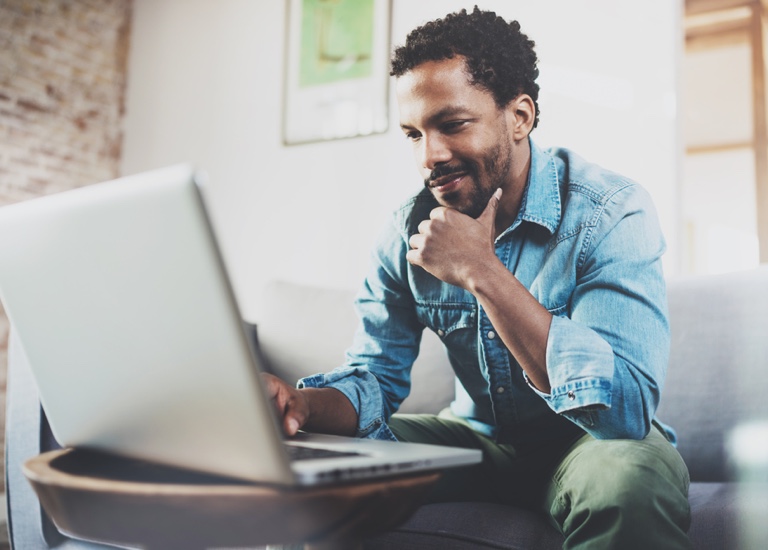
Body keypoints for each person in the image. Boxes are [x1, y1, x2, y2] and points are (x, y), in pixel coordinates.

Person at [265, 7, 691, 549]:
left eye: (452, 124)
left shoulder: (610, 212)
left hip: (592, 441)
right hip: (476, 439)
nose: (430, 156)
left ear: (520, 116)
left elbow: (625, 410)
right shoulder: (407, 231)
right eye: (413, 133)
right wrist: (301, 407)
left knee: (630, 480)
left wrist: (481, 270)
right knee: (309, 460)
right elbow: (375, 376)